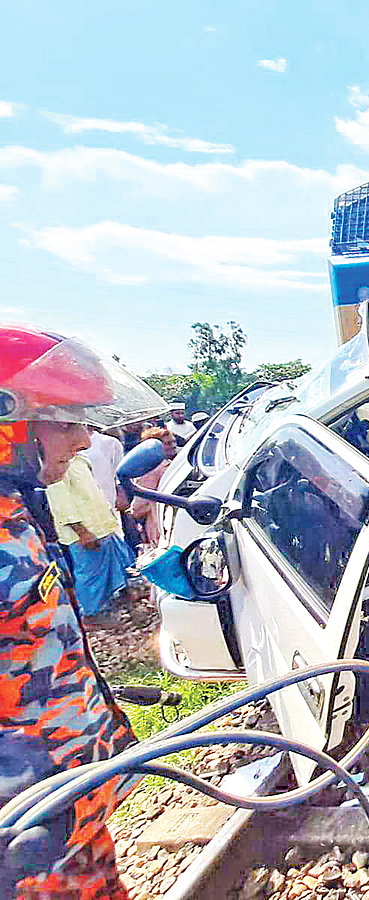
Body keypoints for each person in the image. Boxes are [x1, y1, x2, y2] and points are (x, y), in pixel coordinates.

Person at [1, 324, 166, 899]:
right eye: (67, 424)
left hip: (69, 787)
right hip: (24, 814)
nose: (82, 440)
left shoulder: (18, 511)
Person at [45, 454, 134, 626]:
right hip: (83, 532)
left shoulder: (81, 460)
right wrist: (82, 532)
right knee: (90, 576)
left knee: (120, 566)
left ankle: (112, 606)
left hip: (102, 525)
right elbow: (60, 503)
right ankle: (91, 615)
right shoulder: (54, 466)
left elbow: (93, 491)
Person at [129, 426, 177, 547]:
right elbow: (138, 508)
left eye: (174, 441)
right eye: (168, 443)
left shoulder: (170, 465)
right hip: (158, 527)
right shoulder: (152, 469)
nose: (173, 446)